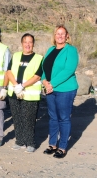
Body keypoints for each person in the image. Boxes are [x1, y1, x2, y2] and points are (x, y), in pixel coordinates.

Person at [41, 25, 78, 159]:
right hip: (50, 88)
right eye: (58, 33)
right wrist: (45, 82)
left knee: (63, 117)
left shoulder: (71, 50)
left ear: (67, 35)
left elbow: (69, 70)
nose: (60, 36)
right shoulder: (50, 49)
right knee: (53, 117)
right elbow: (44, 67)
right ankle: (52, 144)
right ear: (54, 35)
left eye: (63, 34)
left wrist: (52, 84)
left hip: (65, 89)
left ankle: (62, 147)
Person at [6, 33, 43, 153]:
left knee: (29, 119)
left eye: (30, 42)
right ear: (21, 43)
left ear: (33, 44)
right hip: (14, 93)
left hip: (29, 94)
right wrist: (16, 85)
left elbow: (37, 76)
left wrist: (22, 86)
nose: (28, 44)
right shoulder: (16, 55)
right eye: (25, 42)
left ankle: (30, 142)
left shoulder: (38, 58)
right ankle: (20, 141)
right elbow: (9, 71)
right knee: (17, 118)